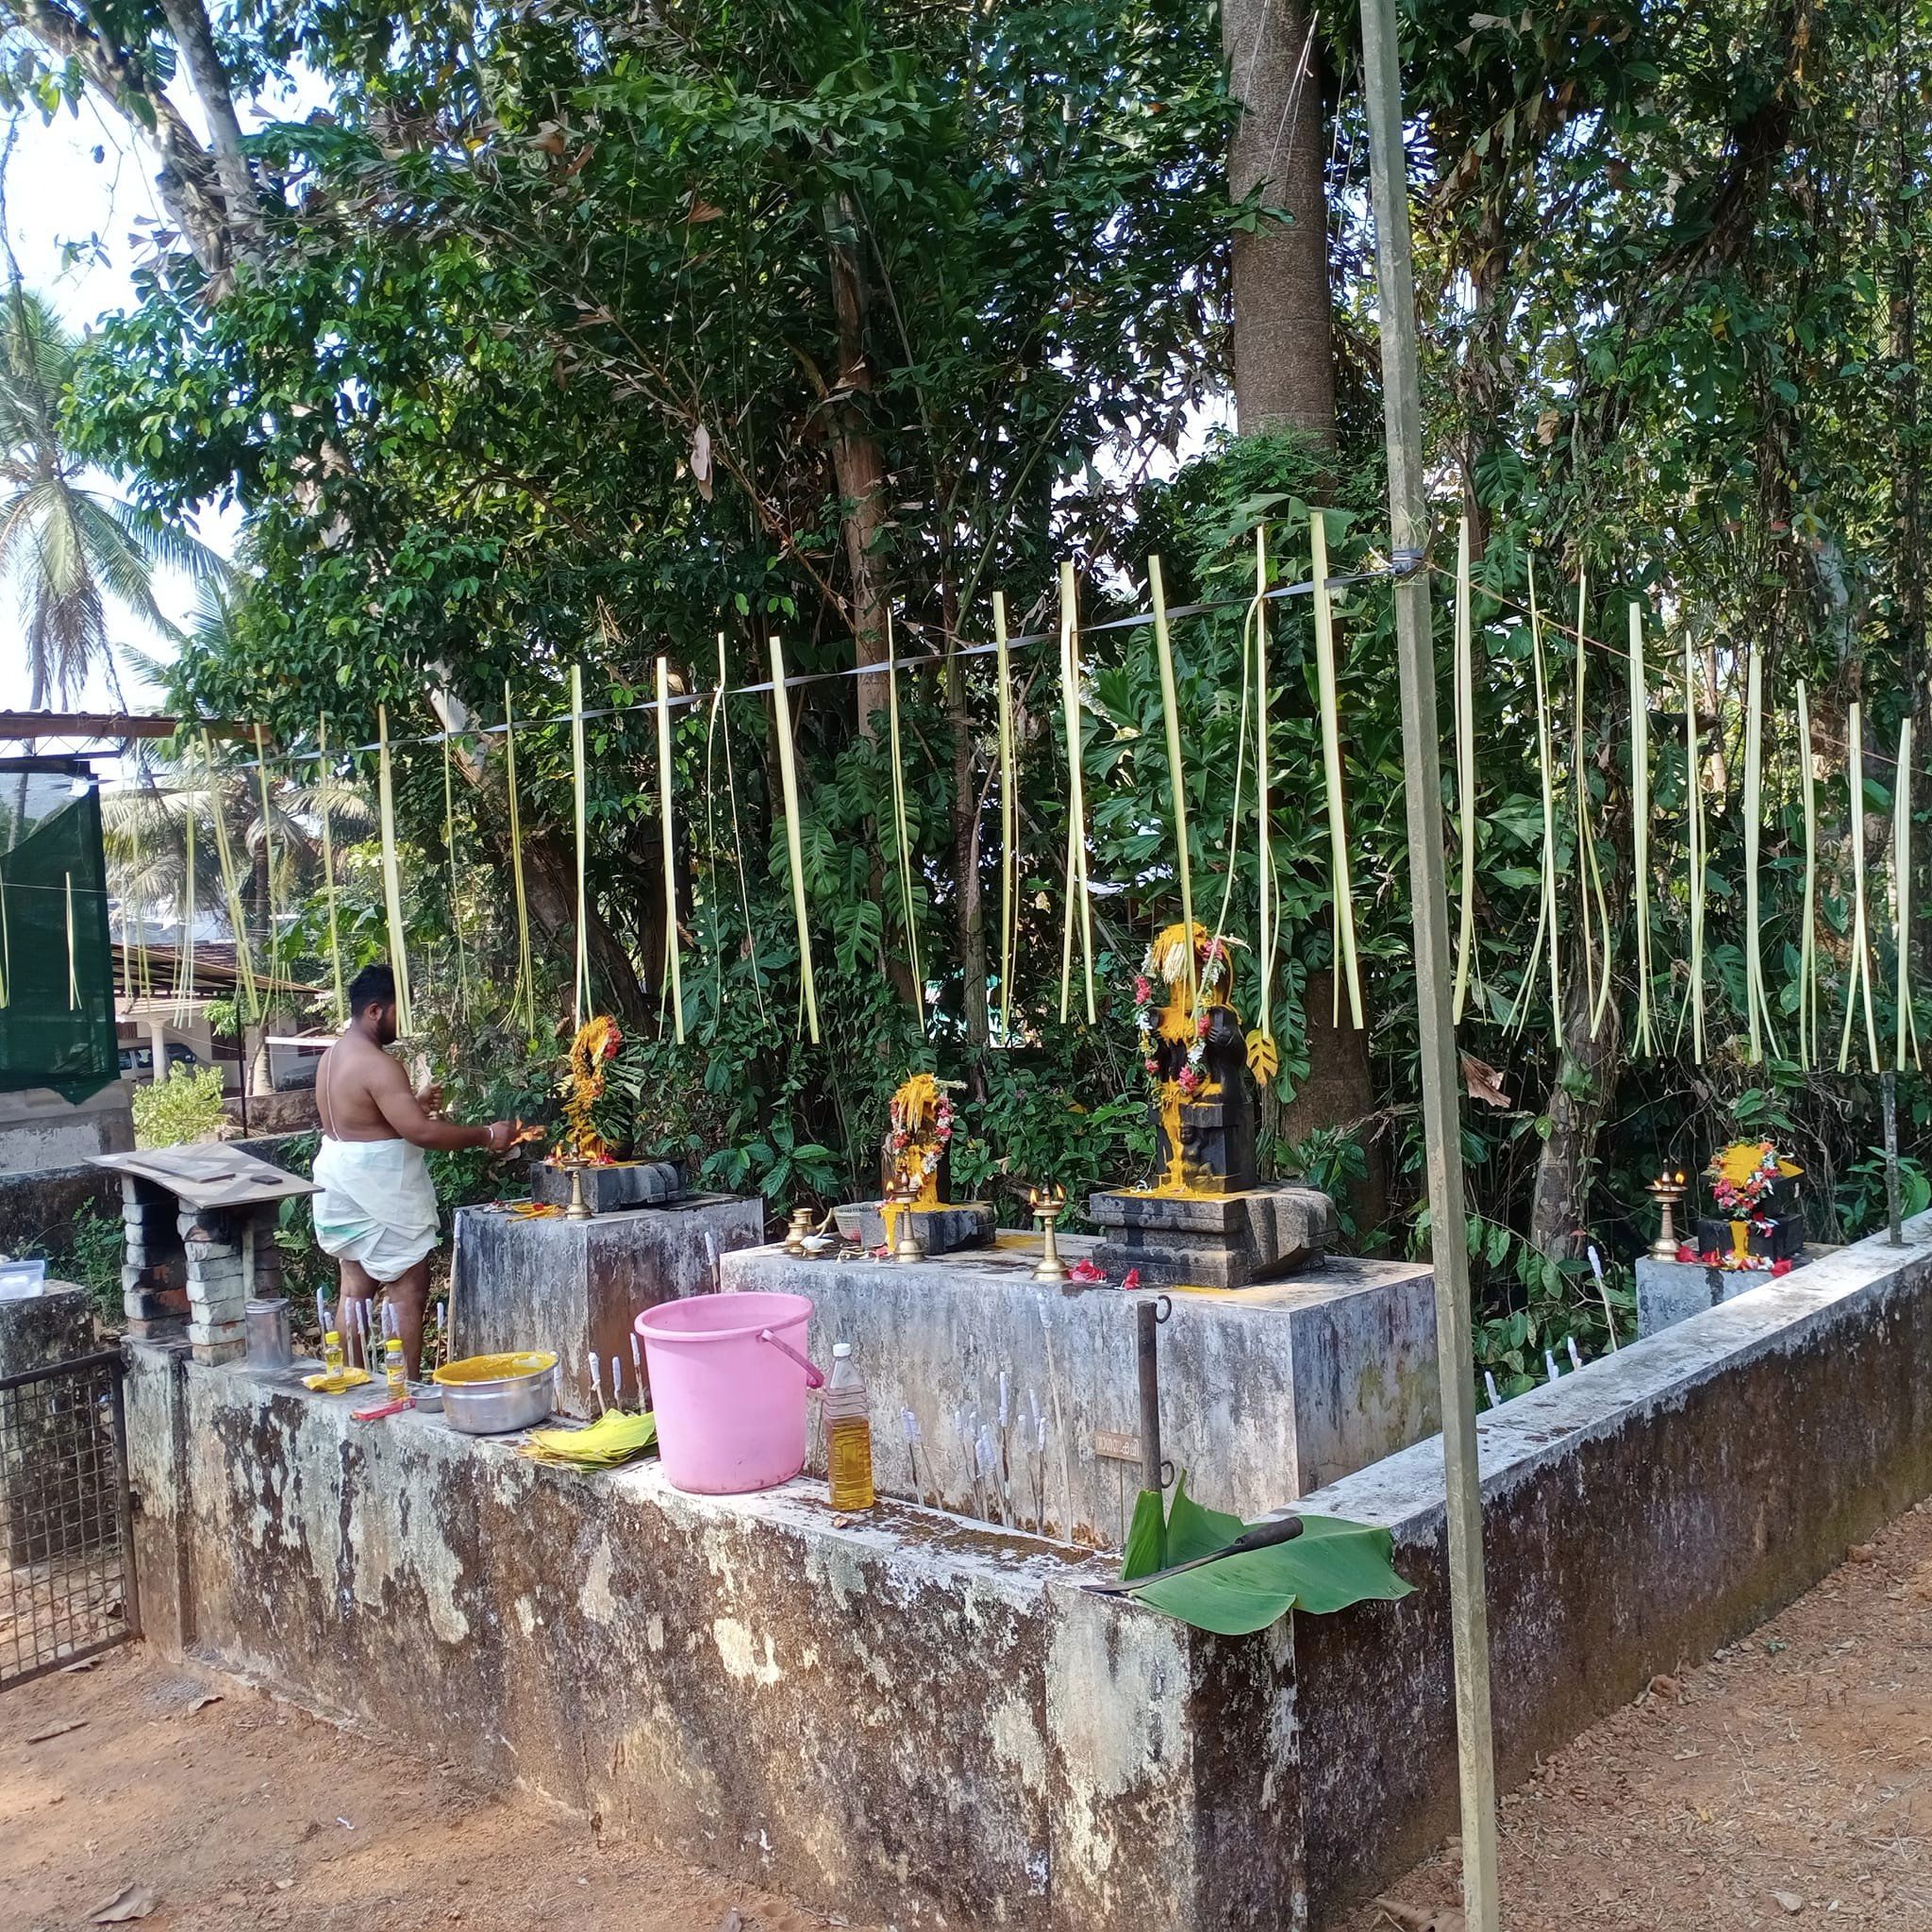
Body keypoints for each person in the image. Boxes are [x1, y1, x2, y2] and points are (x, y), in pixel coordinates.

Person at [312, 962, 517, 1378]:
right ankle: (401, 1387)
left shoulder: (332, 1057)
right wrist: (486, 1134)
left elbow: (365, 1123)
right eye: (396, 1011)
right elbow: (420, 1133)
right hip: (377, 1192)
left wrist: (414, 1102)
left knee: (353, 1288)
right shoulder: (378, 1064)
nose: (400, 1022)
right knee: (407, 1288)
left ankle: (347, 1381)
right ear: (374, 1010)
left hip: (339, 1185)